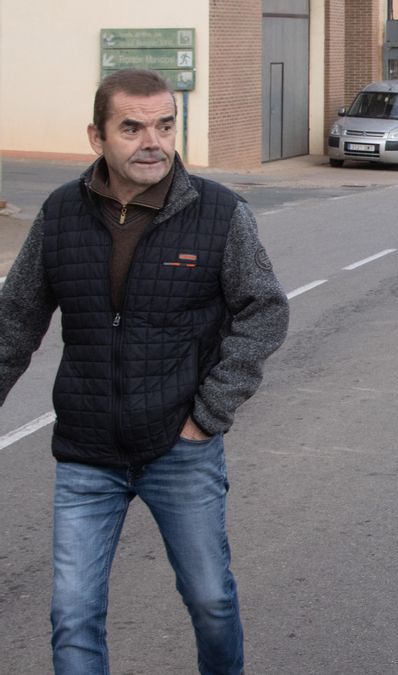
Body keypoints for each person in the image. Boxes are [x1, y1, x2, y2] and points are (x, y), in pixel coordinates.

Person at [0, 69, 289, 674]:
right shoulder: (59, 214)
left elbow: (264, 310)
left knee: (210, 600)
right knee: (73, 615)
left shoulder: (219, 213)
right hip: (85, 453)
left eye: (163, 125)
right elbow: (16, 322)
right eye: (131, 127)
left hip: (179, 449)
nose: (151, 141)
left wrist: (209, 412)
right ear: (97, 135)